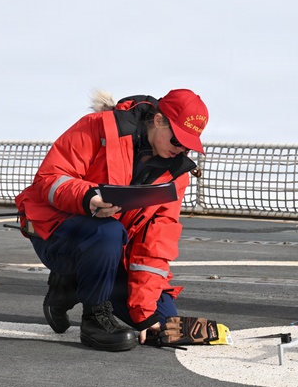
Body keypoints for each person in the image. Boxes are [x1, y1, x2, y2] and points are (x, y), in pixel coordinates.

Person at [15, 88, 208, 352]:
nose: (181, 149)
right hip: (55, 230)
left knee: (164, 324)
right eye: (177, 140)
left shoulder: (177, 175)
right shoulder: (97, 127)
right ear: (159, 120)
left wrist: (144, 314)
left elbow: (155, 244)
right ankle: (95, 320)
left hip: (111, 247)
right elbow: (48, 179)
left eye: (189, 144)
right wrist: (87, 198)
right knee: (108, 231)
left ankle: (69, 284)